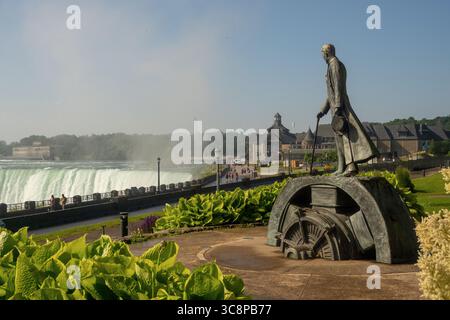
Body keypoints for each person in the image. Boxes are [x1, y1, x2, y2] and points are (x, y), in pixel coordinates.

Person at [316, 44, 379, 176]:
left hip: (340, 106)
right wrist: (324, 109)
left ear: (326, 53)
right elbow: (331, 93)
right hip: (335, 106)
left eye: (322, 53)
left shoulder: (335, 65)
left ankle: (350, 167)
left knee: (345, 136)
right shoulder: (332, 66)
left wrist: (338, 107)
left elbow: (338, 87)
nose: (321, 56)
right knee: (339, 139)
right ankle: (342, 167)